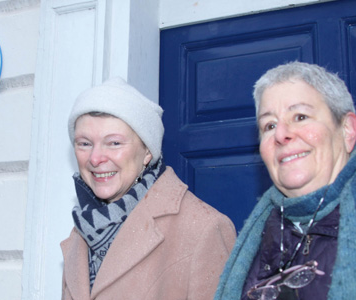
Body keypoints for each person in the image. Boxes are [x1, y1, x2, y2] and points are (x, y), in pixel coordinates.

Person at [214, 61, 356, 300]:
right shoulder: (259, 233)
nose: (280, 134)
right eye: (269, 125)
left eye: (300, 116)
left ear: (347, 129)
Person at [61, 77, 236, 299]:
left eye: (114, 143)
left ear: (147, 152)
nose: (95, 158)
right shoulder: (82, 231)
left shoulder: (204, 229)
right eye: (84, 143)